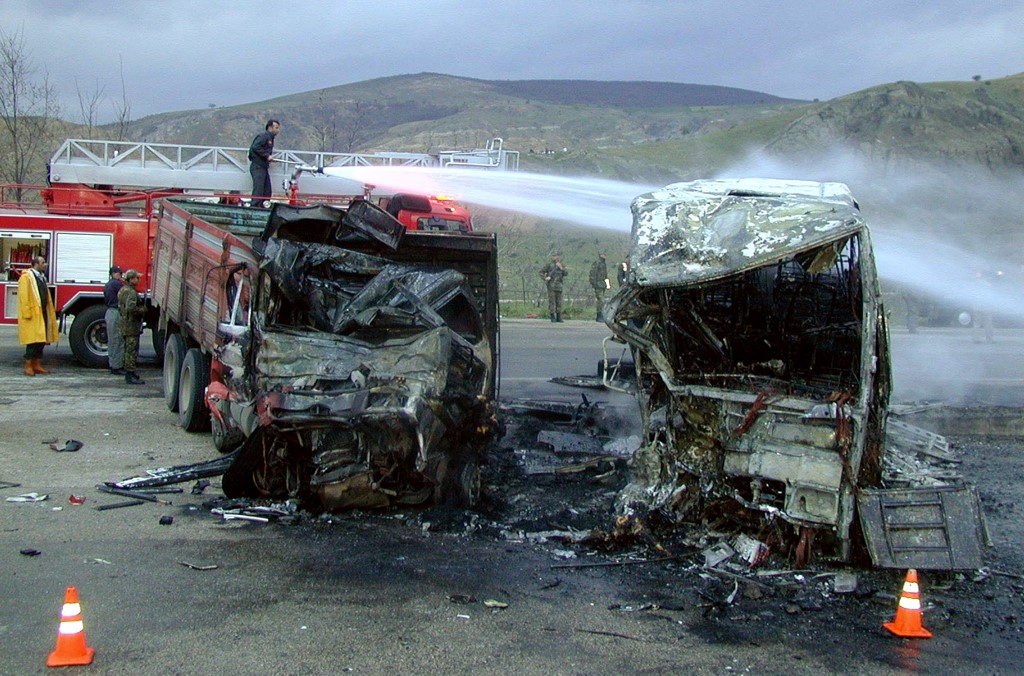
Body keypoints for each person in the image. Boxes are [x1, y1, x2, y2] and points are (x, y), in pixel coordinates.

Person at [17, 256, 58, 376]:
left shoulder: (41, 277)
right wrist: (27, 313)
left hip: (42, 313)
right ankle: (28, 366)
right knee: (32, 341)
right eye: (42, 263)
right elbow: (24, 297)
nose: (45, 264)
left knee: (41, 340)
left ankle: (37, 364)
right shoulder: (26, 277)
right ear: (36, 264)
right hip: (33, 314)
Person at [118, 269, 147, 385]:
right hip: (131, 325)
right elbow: (131, 308)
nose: (138, 280)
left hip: (125, 324)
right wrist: (142, 309)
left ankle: (131, 373)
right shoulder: (131, 292)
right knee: (131, 351)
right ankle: (130, 375)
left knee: (128, 350)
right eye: (136, 278)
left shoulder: (122, 290)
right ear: (130, 279)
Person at [248, 119, 280, 202]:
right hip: (257, 166)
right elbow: (255, 147)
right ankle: (255, 207)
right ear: (270, 127)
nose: (278, 130)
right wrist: (267, 156)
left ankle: (264, 205)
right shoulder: (263, 136)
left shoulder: (270, 138)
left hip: (263, 167)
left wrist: (269, 158)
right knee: (258, 189)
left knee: (267, 190)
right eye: (276, 128)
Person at [104, 265, 126, 375]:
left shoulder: (108, 284)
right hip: (116, 312)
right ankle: (117, 367)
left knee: (112, 340)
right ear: (113, 274)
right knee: (118, 340)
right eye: (118, 273)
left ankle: (112, 364)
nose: (120, 275)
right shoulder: (117, 284)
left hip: (109, 312)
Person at [540, 252, 567, 323]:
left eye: (555, 256)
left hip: (559, 286)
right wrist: (545, 278)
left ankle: (559, 316)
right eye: (553, 256)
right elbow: (541, 272)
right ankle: (552, 316)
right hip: (551, 286)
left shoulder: (561, 264)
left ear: (558, 256)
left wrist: (561, 268)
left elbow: (566, 273)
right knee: (552, 302)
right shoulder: (549, 265)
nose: (554, 257)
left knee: (559, 302)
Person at [588, 251, 610, 322]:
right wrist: (594, 284)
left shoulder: (604, 264)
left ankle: (601, 315)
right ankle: (599, 315)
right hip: (598, 284)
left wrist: (607, 284)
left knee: (601, 301)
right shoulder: (597, 263)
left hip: (602, 284)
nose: (605, 256)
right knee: (601, 300)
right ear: (600, 255)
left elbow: (605, 275)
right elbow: (592, 274)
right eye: (604, 254)